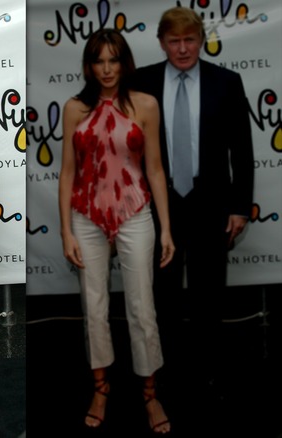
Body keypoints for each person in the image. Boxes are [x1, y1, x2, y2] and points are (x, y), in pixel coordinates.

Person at [58, 29, 175, 434]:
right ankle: (101, 388)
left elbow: (156, 169)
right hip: (85, 218)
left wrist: (166, 230)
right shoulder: (75, 108)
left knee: (142, 309)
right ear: (90, 66)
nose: (106, 69)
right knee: (94, 310)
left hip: (137, 214)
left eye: (113, 60)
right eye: (98, 61)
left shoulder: (145, 104)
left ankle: (149, 393)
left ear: (124, 62)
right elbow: (67, 173)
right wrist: (65, 232)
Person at [134, 7, 254, 400]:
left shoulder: (227, 82)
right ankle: (166, 371)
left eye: (190, 40)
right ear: (161, 42)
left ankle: (208, 371)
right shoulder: (142, 82)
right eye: (174, 41)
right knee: (162, 295)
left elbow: (243, 150)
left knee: (208, 294)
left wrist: (239, 207)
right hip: (159, 205)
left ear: (201, 40)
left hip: (212, 205)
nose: (183, 49)